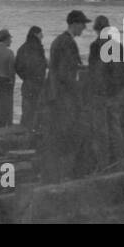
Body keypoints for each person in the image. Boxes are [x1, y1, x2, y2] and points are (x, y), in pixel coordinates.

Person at [40, 10, 90, 182]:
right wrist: (79, 88)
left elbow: (60, 69)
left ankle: (56, 173)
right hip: (63, 97)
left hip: (53, 94)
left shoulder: (59, 40)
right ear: (75, 24)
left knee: (58, 134)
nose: (84, 28)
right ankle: (65, 174)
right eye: (83, 24)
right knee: (68, 133)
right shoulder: (68, 42)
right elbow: (65, 73)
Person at [88, 15, 124, 169]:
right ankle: (118, 160)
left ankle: (103, 163)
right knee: (114, 126)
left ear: (96, 29)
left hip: (100, 94)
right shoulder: (117, 45)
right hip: (115, 93)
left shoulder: (96, 45)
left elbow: (93, 71)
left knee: (101, 129)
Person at [15, 25, 48, 129]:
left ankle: (24, 131)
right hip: (38, 82)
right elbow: (42, 64)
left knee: (27, 109)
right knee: (38, 109)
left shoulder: (22, 47)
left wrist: (24, 77)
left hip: (27, 82)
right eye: (40, 33)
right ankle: (36, 132)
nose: (42, 36)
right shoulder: (38, 47)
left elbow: (17, 66)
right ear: (35, 34)